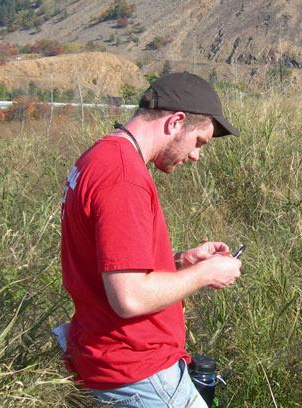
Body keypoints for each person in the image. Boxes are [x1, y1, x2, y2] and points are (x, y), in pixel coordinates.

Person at [60, 72, 242, 407]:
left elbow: (109, 266)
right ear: (176, 122)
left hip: (105, 356)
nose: (196, 156)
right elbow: (129, 297)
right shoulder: (124, 178)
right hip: (137, 372)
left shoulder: (99, 157)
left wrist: (178, 263)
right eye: (199, 142)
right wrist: (206, 274)